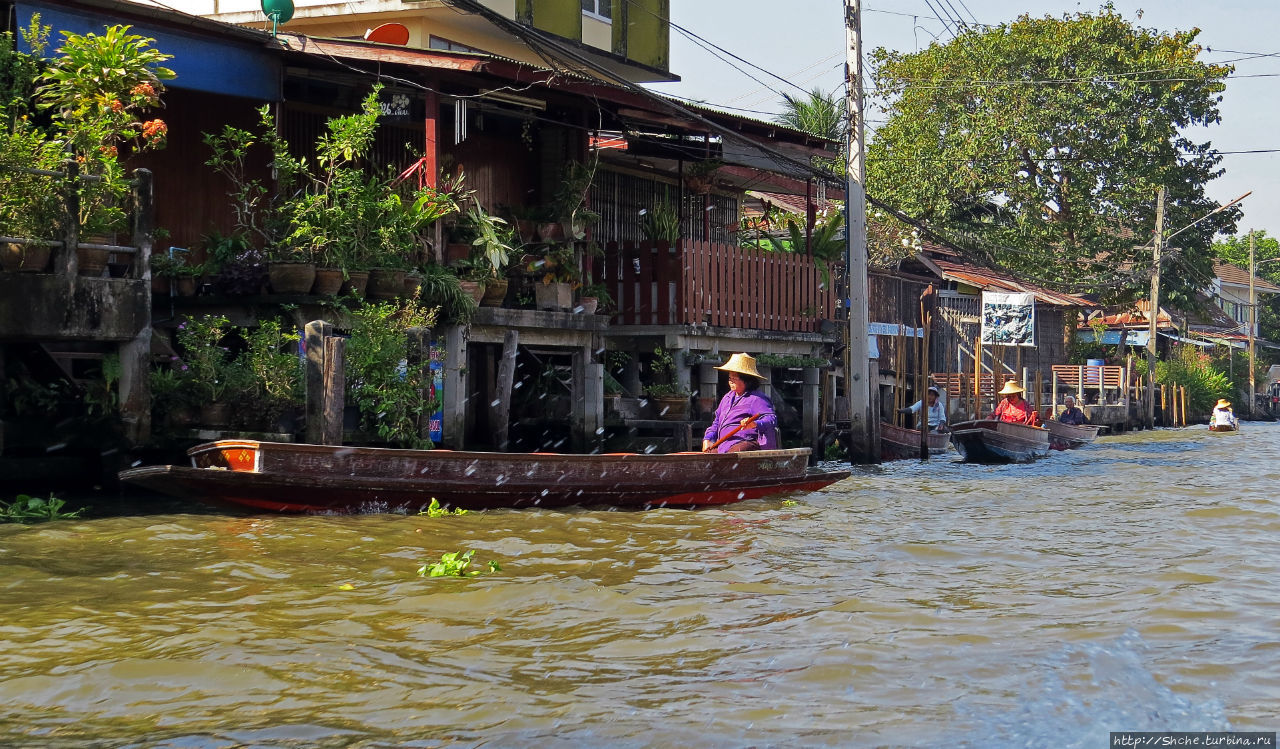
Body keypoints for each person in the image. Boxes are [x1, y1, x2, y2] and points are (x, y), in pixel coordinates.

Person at [702, 353, 778, 453]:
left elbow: (771, 419)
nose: (731, 382)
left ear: (746, 380)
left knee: (736, 452)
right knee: (708, 455)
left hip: (746, 443)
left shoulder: (756, 398)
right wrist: (708, 438)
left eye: (734, 378)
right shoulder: (727, 398)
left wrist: (754, 423)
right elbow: (716, 422)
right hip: (724, 446)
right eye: (730, 378)